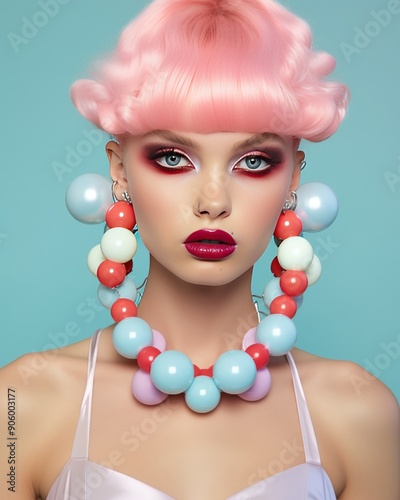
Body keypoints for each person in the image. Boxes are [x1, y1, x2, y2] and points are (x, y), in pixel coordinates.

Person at [1, 0, 399, 498]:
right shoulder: (20, 404)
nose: (213, 201)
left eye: (253, 162)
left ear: (294, 178)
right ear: (119, 171)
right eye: (173, 157)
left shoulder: (358, 410)